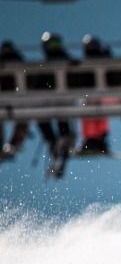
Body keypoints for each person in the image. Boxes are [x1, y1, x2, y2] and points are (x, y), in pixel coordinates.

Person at [36, 32, 75, 177]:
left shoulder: (63, 60)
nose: (54, 48)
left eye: (56, 44)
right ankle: (55, 143)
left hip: (60, 100)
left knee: (59, 121)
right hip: (50, 100)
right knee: (45, 120)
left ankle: (57, 145)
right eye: (51, 44)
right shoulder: (45, 64)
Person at [76, 35, 112, 155]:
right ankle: (95, 139)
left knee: (94, 112)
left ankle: (96, 139)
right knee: (92, 113)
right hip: (93, 92)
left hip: (98, 92)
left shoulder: (93, 60)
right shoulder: (89, 61)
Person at [0, 40, 26, 159]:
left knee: (24, 116)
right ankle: (15, 143)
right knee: (24, 117)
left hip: (16, 96)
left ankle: (14, 143)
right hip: (11, 96)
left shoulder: (16, 61)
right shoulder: (18, 60)